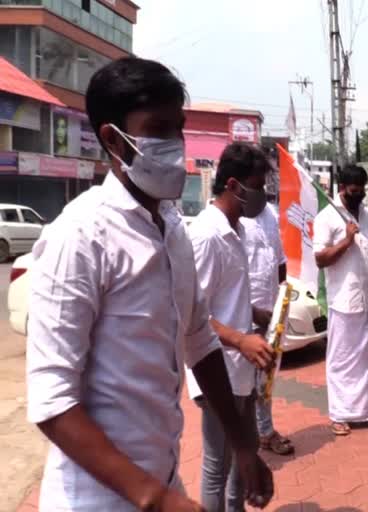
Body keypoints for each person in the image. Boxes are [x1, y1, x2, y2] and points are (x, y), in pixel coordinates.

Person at [25, 57, 273, 511]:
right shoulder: (79, 237)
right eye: (158, 129)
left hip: (161, 477)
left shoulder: (173, 229)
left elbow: (199, 342)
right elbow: (51, 400)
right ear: (112, 140)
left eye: (177, 128)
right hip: (98, 498)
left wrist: (244, 445)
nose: (174, 144)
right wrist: (155, 498)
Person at [184, 142, 278, 511]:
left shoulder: (236, 230)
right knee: (216, 467)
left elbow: (225, 296)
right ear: (234, 185)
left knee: (245, 456)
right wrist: (240, 340)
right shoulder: (207, 236)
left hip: (241, 370)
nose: (263, 196)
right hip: (217, 370)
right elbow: (194, 314)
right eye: (258, 187)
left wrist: (255, 314)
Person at [313, 164, 368, 436]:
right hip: (343, 301)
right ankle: (341, 414)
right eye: (354, 191)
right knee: (343, 360)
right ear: (342, 189)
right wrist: (346, 241)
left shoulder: (367, 216)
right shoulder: (326, 218)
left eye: (362, 191)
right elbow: (320, 259)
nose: (359, 195)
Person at [242, 189, 295, 456]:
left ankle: (263, 431)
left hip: (270, 313)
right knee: (242, 381)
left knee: (265, 378)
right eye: (256, 183)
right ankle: (249, 434)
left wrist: (280, 300)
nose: (262, 190)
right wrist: (250, 312)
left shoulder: (270, 216)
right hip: (240, 317)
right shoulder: (233, 220)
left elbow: (280, 261)